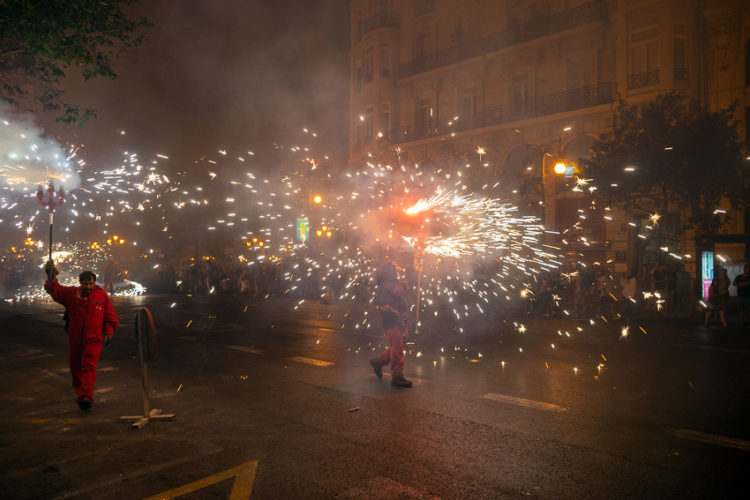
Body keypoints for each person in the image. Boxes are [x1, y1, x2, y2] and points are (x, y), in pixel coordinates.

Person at [44, 260, 118, 411]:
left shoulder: (102, 295)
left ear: (94, 282)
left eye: (91, 283)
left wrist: (109, 331)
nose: (88, 287)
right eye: (85, 284)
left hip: (94, 339)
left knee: (89, 367)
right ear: (80, 283)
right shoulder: (72, 294)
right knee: (75, 367)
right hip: (75, 338)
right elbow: (54, 290)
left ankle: (86, 396)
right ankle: (81, 392)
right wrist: (51, 276)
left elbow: (110, 316)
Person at [369, 261, 412, 388]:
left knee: (397, 346)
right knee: (397, 349)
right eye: (394, 270)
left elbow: (399, 297)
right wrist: (397, 314)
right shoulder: (385, 286)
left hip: (399, 320)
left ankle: (377, 362)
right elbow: (384, 306)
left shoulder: (393, 284)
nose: (396, 272)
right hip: (392, 321)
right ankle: (397, 377)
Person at [733, 264, 750, 328]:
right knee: (740, 310)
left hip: (748, 296)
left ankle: (748, 323)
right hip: (740, 296)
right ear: (744, 269)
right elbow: (734, 283)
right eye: (746, 269)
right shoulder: (739, 276)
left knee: (748, 311)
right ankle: (740, 322)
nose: (747, 270)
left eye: (748, 269)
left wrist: (741, 284)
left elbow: (746, 283)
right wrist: (743, 284)